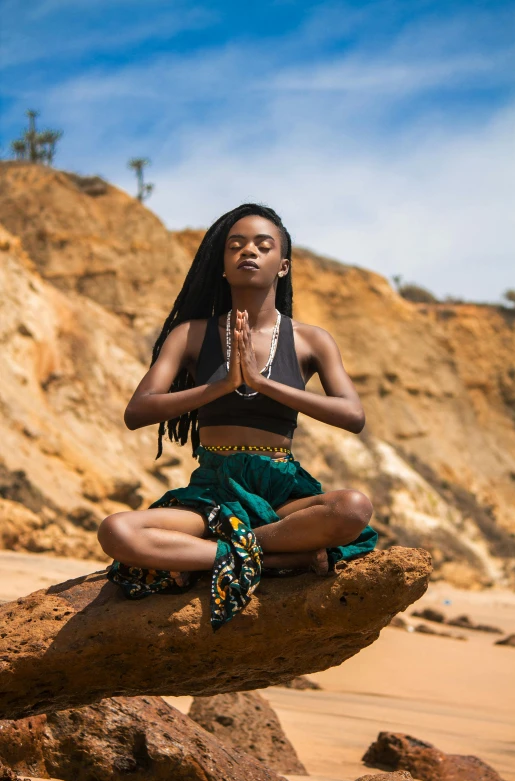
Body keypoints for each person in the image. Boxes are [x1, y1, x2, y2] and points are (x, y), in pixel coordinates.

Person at [97, 203, 378, 631]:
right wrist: (221, 385)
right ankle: (282, 557)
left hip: (282, 492)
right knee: (117, 531)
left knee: (352, 507)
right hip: (213, 490)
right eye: (236, 245)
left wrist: (264, 384)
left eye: (263, 246)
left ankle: (221, 551)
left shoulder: (311, 341)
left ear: (282, 266)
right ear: (223, 265)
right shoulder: (191, 335)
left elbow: (353, 415)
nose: (249, 251)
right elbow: (137, 411)